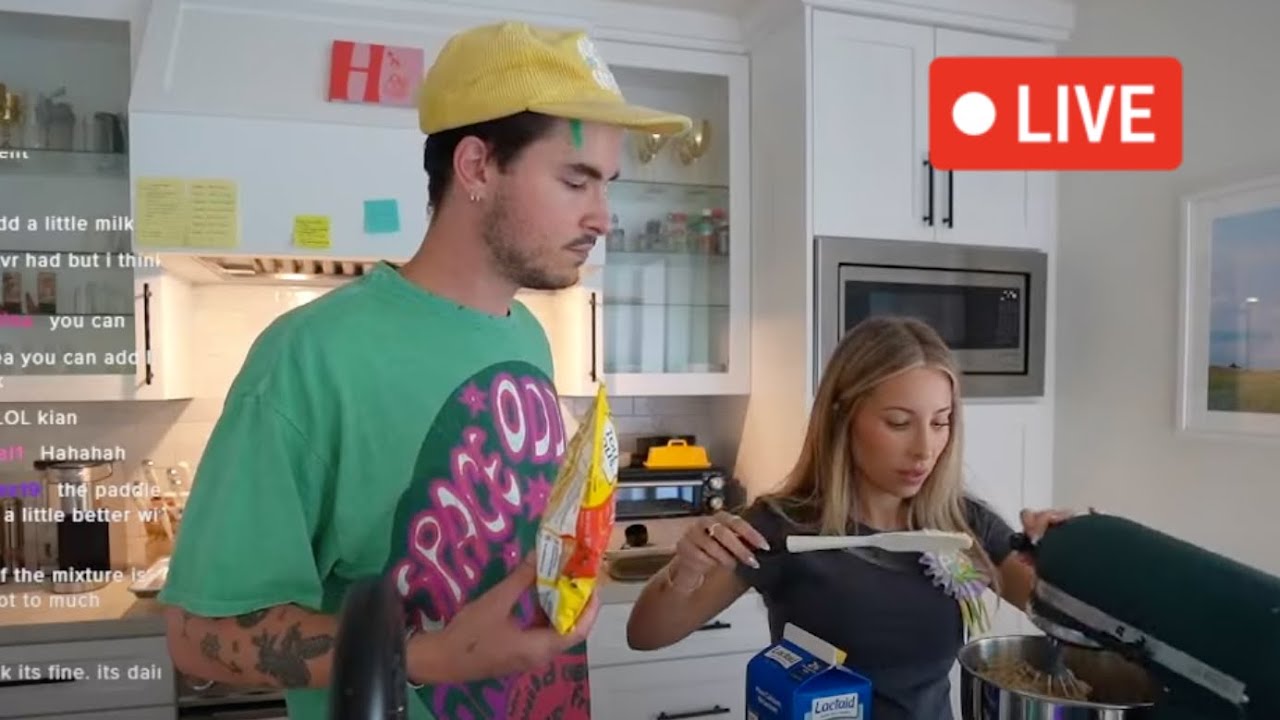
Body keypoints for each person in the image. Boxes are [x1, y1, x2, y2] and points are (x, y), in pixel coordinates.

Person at [156, 20, 691, 720]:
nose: (602, 217)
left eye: (607, 186)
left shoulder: (527, 334)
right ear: (475, 167)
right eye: (575, 179)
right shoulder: (310, 357)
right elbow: (198, 635)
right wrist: (432, 656)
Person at [625, 316, 1074, 720]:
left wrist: (1071, 551)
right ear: (843, 417)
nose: (925, 449)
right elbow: (645, 634)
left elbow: (1068, 616)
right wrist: (684, 572)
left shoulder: (962, 524)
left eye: (940, 422)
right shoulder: (783, 526)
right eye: (899, 423)